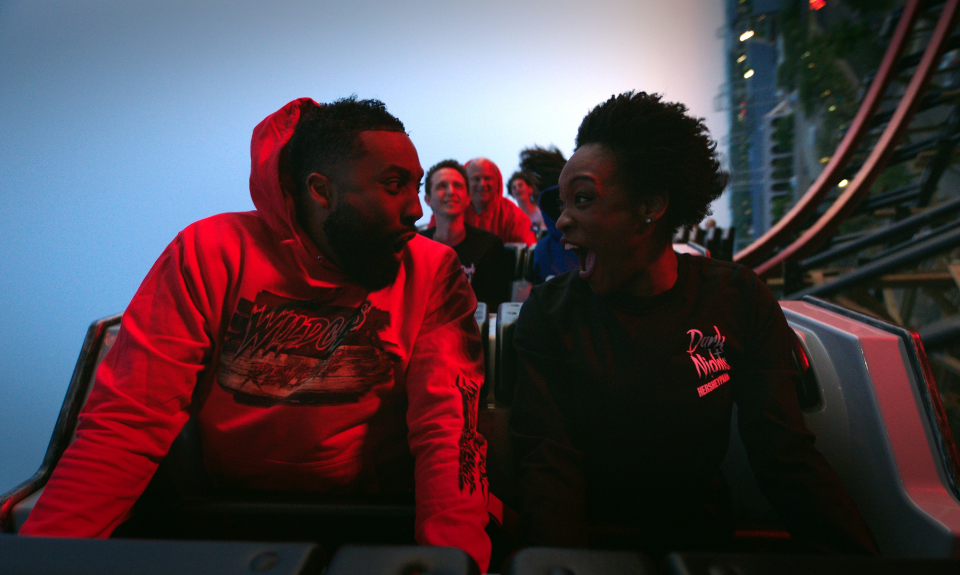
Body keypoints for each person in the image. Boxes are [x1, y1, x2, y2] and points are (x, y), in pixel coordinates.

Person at [19, 97, 491, 571]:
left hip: (377, 518)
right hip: (224, 518)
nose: (415, 208)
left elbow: (450, 433)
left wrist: (451, 562)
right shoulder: (208, 254)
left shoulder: (432, 272)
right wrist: (39, 557)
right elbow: (127, 422)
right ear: (320, 191)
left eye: (415, 185)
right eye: (393, 185)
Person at [509, 91, 877, 558]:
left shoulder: (737, 299)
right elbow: (548, 468)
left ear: (651, 204)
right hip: (593, 551)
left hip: (701, 547)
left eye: (581, 200)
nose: (561, 222)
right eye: (562, 204)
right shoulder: (549, 314)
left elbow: (784, 456)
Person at [421, 159, 512, 310]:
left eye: (458, 186)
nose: (451, 192)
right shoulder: (415, 245)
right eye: (442, 186)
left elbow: (492, 309)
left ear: (468, 198)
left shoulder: (489, 246)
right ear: (428, 200)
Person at [464, 157, 537, 246]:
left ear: (497, 182)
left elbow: (528, 251)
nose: (482, 184)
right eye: (476, 179)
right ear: (466, 182)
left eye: (487, 178)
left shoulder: (514, 216)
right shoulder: (456, 212)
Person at [507, 170, 543, 234]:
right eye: (514, 188)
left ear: (530, 189)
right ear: (512, 194)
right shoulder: (511, 219)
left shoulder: (541, 212)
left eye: (520, 185)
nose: (517, 189)